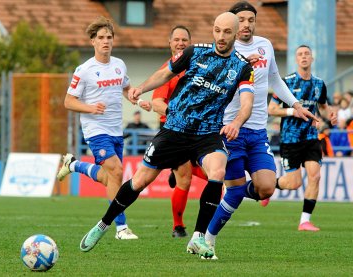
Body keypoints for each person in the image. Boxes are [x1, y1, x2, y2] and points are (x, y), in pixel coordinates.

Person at [79, 12, 255, 259]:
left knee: (217, 171)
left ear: (236, 34)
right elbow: (165, 74)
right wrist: (142, 87)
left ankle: (197, 238)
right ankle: (104, 224)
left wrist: (237, 121)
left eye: (227, 32)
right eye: (217, 30)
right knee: (139, 181)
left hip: (207, 133)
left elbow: (247, 101)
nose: (221, 36)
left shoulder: (243, 67)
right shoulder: (195, 52)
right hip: (174, 129)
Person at [203, 1, 318, 258]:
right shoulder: (221, 50)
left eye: (250, 20)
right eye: (241, 20)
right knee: (233, 192)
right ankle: (207, 239)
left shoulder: (265, 45)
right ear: (231, 25)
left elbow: (274, 79)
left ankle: (233, 193)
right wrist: (241, 62)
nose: (246, 24)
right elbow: (214, 83)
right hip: (229, 130)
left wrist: (295, 104)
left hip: (256, 131)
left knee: (266, 187)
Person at [56, 16, 151, 240]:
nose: (106, 41)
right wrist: (90, 108)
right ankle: (120, 228)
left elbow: (127, 89)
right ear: (93, 42)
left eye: (109, 37)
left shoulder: (119, 65)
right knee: (117, 171)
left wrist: (138, 101)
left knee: (110, 179)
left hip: (116, 131)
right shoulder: (84, 69)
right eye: (101, 38)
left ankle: (74, 165)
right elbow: (68, 102)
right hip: (95, 130)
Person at [268, 44, 337, 231]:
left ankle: (304, 221)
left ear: (312, 59)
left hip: (311, 137)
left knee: (315, 176)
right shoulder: (287, 82)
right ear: (296, 59)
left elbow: (322, 105)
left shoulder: (319, 84)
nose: (304, 57)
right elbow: (271, 109)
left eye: (307, 54)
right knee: (293, 183)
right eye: (300, 54)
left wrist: (329, 114)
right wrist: (292, 111)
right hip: (290, 139)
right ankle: (270, 188)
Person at [151, 25, 193, 238]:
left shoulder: (198, 67)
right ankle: (178, 226)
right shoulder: (166, 70)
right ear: (170, 43)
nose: (180, 43)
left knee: (213, 168)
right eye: (176, 39)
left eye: (184, 40)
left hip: (197, 128)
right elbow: (157, 102)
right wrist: (175, 114)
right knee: (185, 177)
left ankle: (173, 170)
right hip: (172, 129)